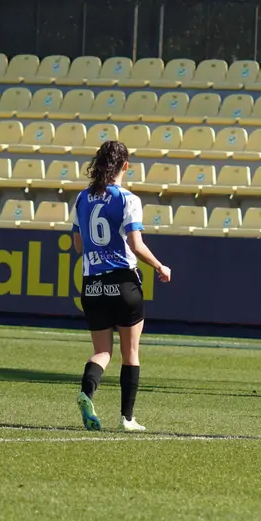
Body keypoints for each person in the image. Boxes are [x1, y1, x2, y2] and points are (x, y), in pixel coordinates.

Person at [71, 141, 171, 432]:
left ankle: (86, 393)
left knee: (102, 352)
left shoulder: (81, 199)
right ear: (125, 166)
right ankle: (127, 418)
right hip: (123, 282)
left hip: (92, 285)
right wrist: (160, 266)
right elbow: (136, 245)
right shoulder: (128, 199)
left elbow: (78, 245)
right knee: (131, 353)